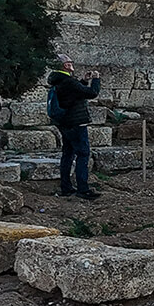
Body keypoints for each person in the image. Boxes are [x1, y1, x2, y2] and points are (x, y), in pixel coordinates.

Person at [48, 56, 101, 200]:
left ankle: (66, 187)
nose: (72, 65)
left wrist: (84, 81)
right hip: (76, 122)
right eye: (70, 63)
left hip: (64, 122)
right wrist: (96, 80)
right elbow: (92, 93)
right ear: (66, 65)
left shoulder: (59, 80)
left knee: (67, 154)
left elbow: (74, 94)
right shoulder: (69, 81)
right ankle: (83, 189)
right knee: (83, 154)